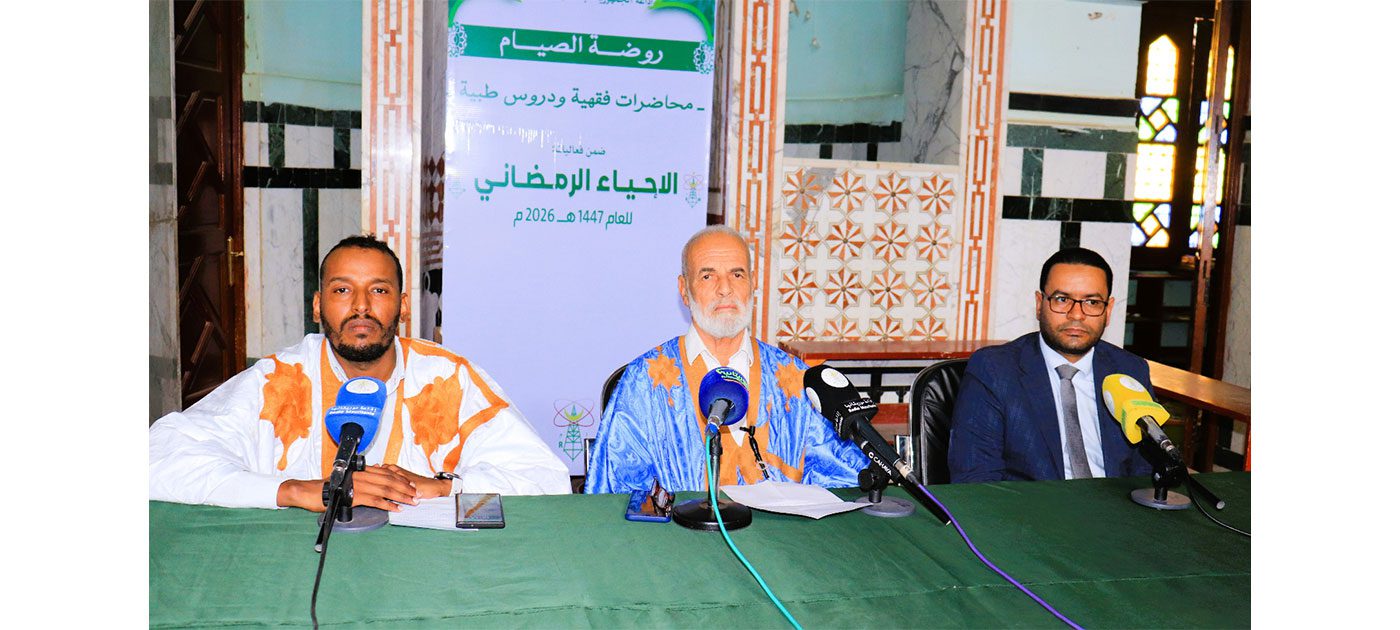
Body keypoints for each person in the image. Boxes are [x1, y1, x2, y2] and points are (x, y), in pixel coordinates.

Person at [149, 235, 570, 511]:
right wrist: (294, 490)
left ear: (403, 306)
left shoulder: (448, 378)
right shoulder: (280, 379)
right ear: (318, 306)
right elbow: (156, 460)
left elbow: (546, 480)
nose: (361, 306)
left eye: (379, 290)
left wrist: (444, 487)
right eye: (342, 290)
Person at [585, 226, 869, 494]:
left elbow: (844, 481)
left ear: (752, 283)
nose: (725, 289)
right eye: (708, 276)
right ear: (684, 290)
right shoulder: (644, 381)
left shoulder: (795, 379)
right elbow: (616, 493)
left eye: (737, 274)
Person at [947, 247, 1154, 483]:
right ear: (1039, 304)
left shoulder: (1130, 370)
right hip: (1030, 505)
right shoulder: (995, 370)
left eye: (1092, 302)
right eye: (1062, 299)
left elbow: (1147, 473)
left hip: (1113, 504)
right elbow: (976, 478)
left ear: (1108, 310)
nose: (1077, 315)